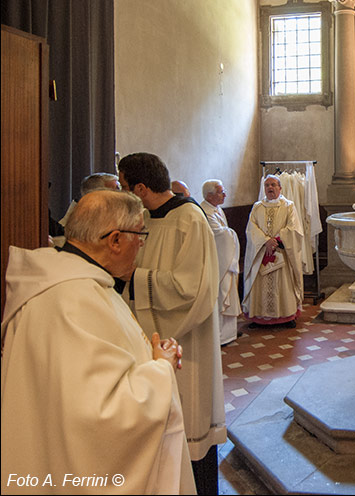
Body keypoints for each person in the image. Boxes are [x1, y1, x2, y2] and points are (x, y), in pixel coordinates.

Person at [1, 189, 195, 494]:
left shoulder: (60, 283)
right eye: (139, 235)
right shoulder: (75, 300)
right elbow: (102, 417)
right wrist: (161, 368)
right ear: (115, 240)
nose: (141, 244)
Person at [118, 153, 225, 495]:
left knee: (189, 422)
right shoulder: (146, 219)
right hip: (151, 339)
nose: (125, 193)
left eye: (124, 186)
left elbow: (193, 290)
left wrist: (136, 278)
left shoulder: (189, 220)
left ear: (141, 188)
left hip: (186, 344)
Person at [242, 174, 304, 329]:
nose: (270, 188)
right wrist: (265, 241)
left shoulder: (288, 206)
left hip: (281, 253)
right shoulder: (257, 207)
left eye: (273, 185)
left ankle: (286, 316)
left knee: (283, 284)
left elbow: (294, 228)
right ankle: (259, 317)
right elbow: (251, 229)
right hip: (261, 252)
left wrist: (276, 240)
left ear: (280, 188)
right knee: (260, 284)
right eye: (267, 185)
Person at [202, 179, 242, 346]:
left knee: (229, 293)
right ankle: (219, 336)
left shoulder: (217, 209)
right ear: (210, 195)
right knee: (221, 294)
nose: (224, 194)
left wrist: (229, 233)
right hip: (218, 261)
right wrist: (231, 234)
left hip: (226, 260)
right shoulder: (205, 211)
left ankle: (229, 333)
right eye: (220, 192)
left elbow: (225, 233)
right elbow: (219, 235)